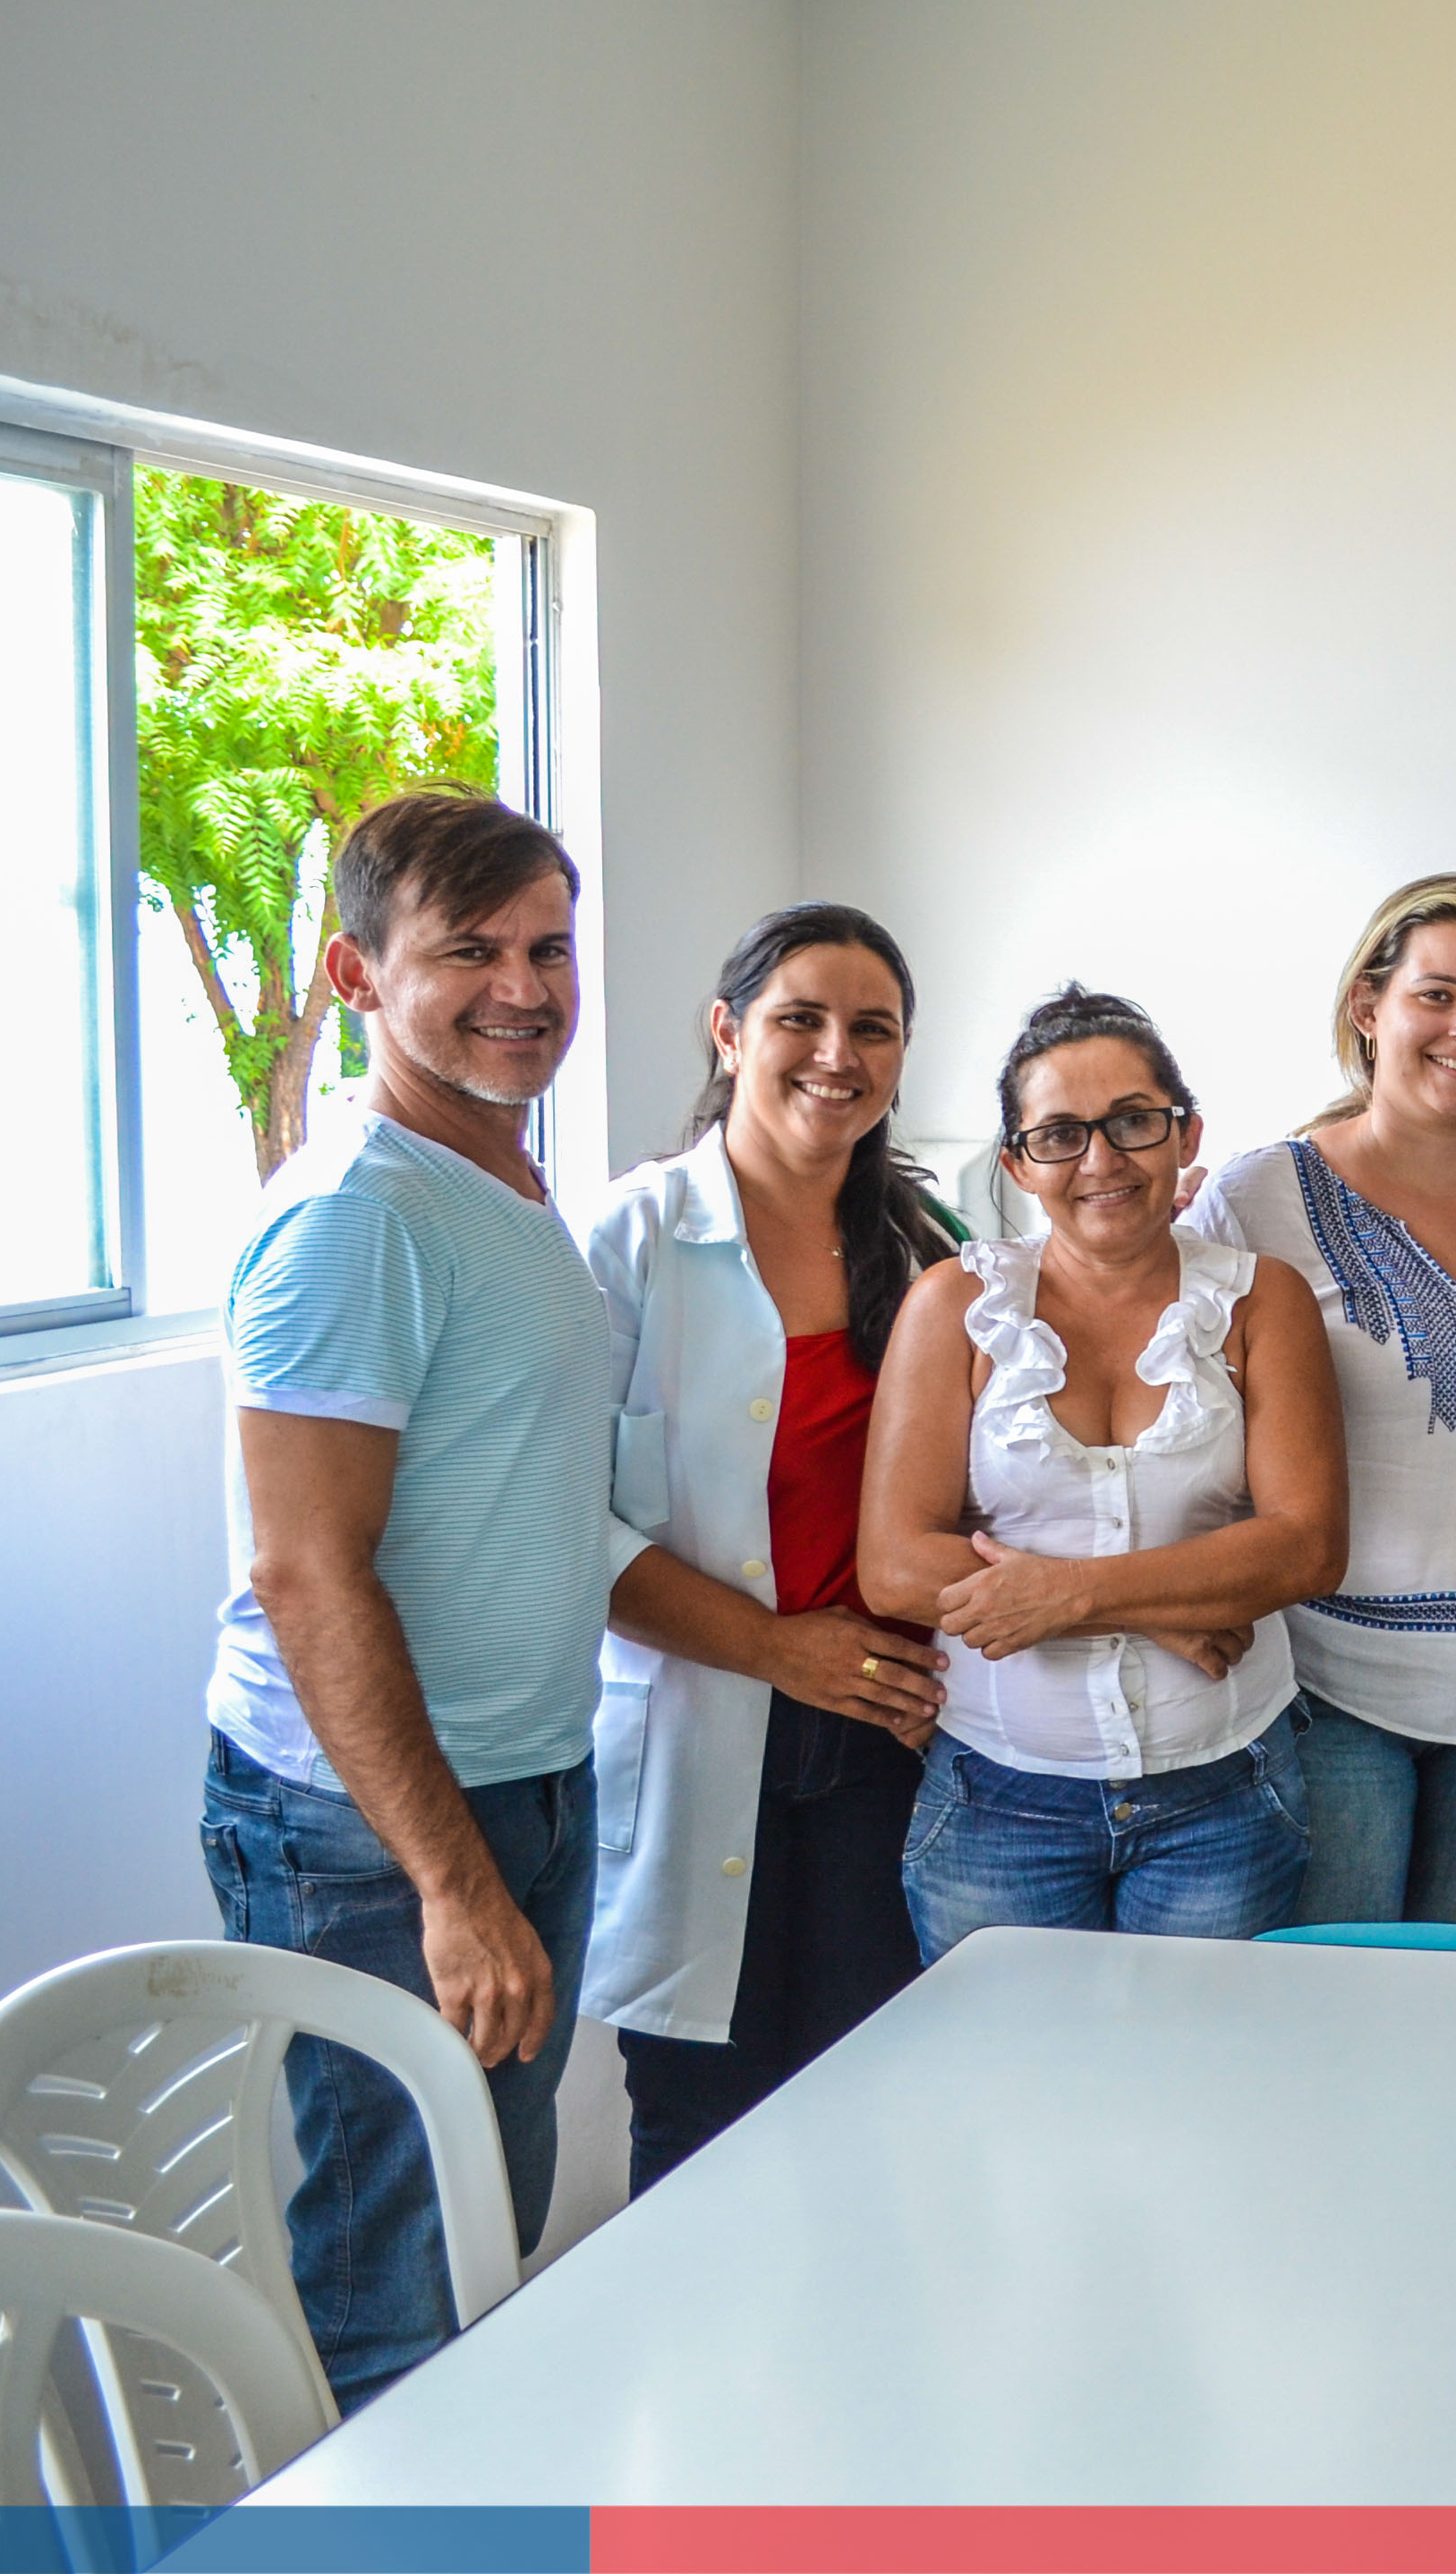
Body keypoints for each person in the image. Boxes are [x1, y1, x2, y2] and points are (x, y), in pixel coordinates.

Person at [198, 788, 607, 2410]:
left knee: (482, 2236)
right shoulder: (357, 1219)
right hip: (379, 1831)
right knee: (401, 2285)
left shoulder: (495, 1181)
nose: (524, 987)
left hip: (519, 1779)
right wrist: (450, 1881)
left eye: (547, 949)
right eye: (469, 952)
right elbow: (305, 1570)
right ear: (357, 974)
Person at [577, 906, 959, 2193]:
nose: (837, 1054)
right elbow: (565, 1518)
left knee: (872, 2113)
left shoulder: (929, 1250)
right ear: (729, 1033)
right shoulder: (630, 1239)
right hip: (706, 1724)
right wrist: (776, 1650)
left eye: (874, 1029)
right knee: (700, 2132)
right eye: (802, 1019)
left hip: (885, 1743)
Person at [860, 987, 1346, 1952]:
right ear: (1016, 1163)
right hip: (997, 1801)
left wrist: (1072, 1595)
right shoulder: (954, 1306)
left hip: (1224, 1794)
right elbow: (897, 1566)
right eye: (1059, 1135)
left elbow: (1306, 1548)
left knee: (1195, 2054)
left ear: (1185, 1133)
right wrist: (1160, 1610)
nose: (1101, 1161)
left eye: (1132, 1121)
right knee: (1004, 2056)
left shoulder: (1263, 1302)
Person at [1185, 875, 1456, 1929]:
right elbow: (1187, 1427)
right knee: (1334, 2001)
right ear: (1367, 1007)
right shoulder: (1257, 1199)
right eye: (1437, 994)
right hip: (1329, 1692)